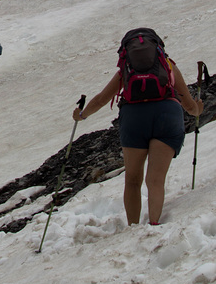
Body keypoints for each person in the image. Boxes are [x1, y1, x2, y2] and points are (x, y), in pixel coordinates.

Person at [73, 33, 203, 226]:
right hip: (167, 116)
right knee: (155, 180)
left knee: (133, 180)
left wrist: (81, 115)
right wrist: (197, 109)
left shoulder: (126, 69)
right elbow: (189, 105)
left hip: (134, 119)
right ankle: (153, 224)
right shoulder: (168, 65)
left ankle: (134, 227)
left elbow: (102, 99)